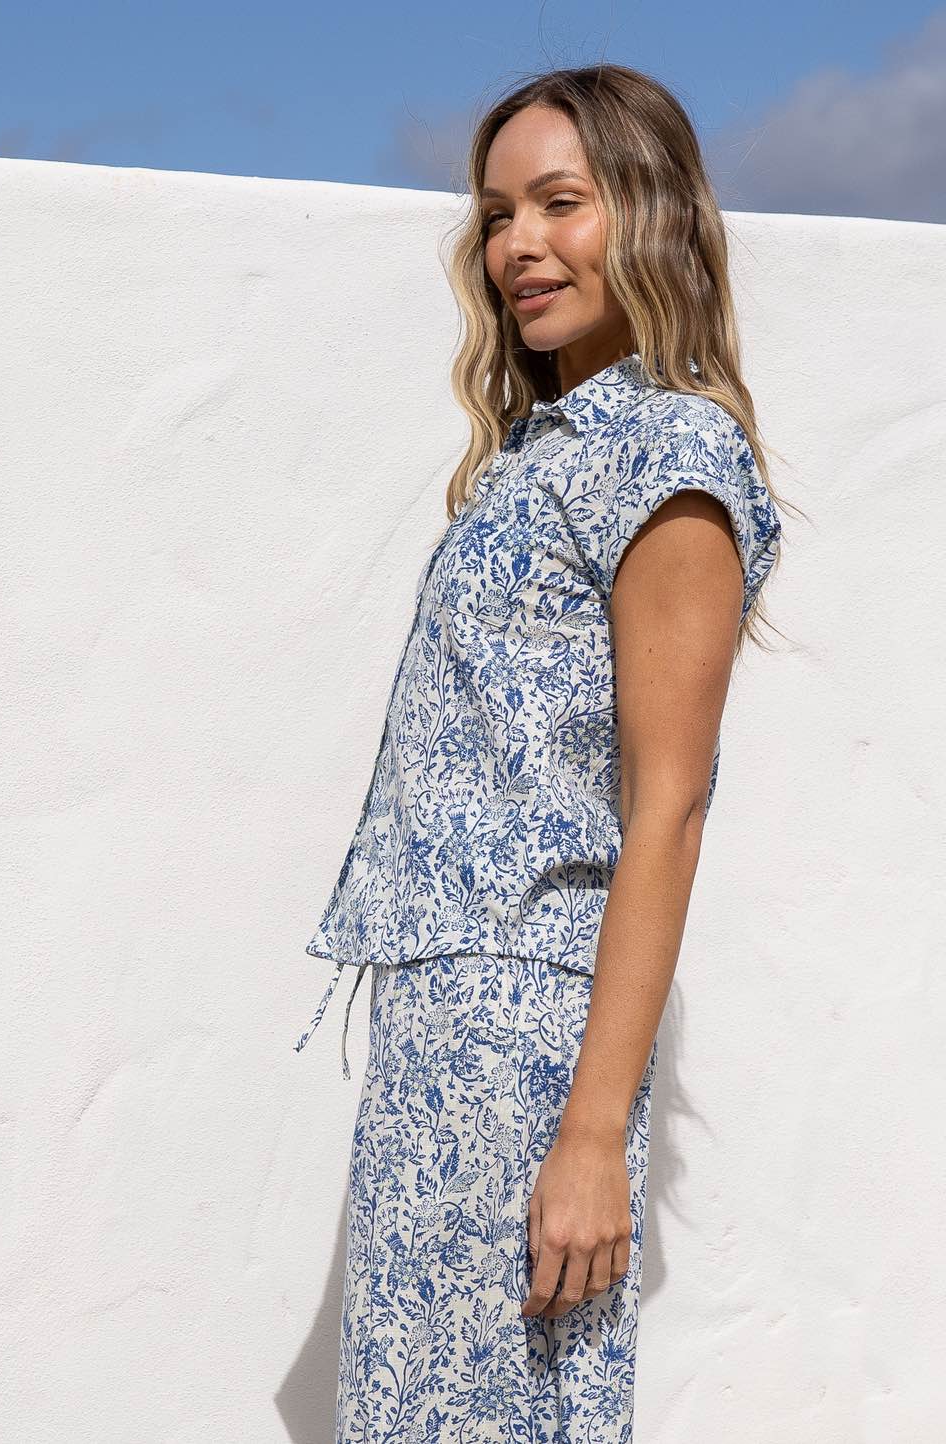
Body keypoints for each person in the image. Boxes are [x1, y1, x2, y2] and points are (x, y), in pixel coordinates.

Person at [294, 62, 788, 1443]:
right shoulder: (537, 454)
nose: (518, 243)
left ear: (651, 212)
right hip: (442, 1019)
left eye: (560, 203)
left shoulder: (667, 457)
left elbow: (669, 807)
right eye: (499, 213)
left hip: (527, 1033)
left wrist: (591, 1133)